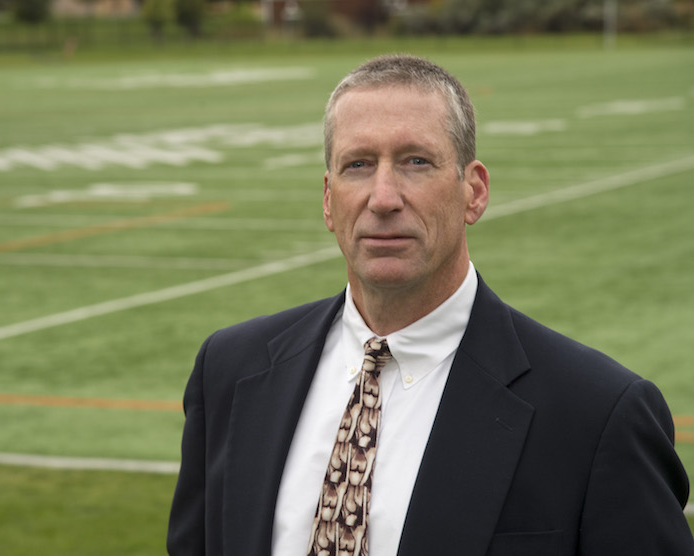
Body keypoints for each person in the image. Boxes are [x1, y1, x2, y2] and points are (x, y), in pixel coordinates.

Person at [167, 54, 693, 556]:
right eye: (358, 165)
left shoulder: (598, 414)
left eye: (416, 162)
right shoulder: (230, 371)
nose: (383, 197)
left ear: (474, 192)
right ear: (328, 200)